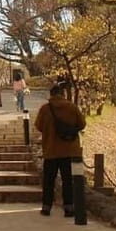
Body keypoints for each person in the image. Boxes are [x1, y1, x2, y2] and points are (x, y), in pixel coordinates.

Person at [35, 84, 86, 217]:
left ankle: (46, 207)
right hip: (69, 150)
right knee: (68, 180)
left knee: (48, 181)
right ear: (62, 94)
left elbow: (38, 126)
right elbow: (82, 124)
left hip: (50, 150)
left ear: (51, 94)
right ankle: (69, 208)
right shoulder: (72, 107)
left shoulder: (45, 109)